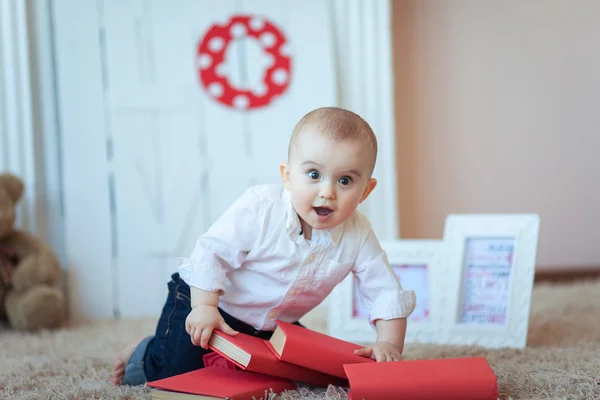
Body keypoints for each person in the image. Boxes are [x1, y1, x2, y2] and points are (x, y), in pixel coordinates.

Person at [112, 106, 416, 386]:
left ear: (366, 190)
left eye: (345, 181)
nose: (327, 192)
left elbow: (384, 290)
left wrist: (388, 344)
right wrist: (204, 306)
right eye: (314, 175)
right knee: (180, 374)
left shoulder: (359, 233)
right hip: (210, 300)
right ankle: (146, 350)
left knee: (312, 373)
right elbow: (211, 252)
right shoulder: (260, 208)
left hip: (273, 323)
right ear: (287, 175)